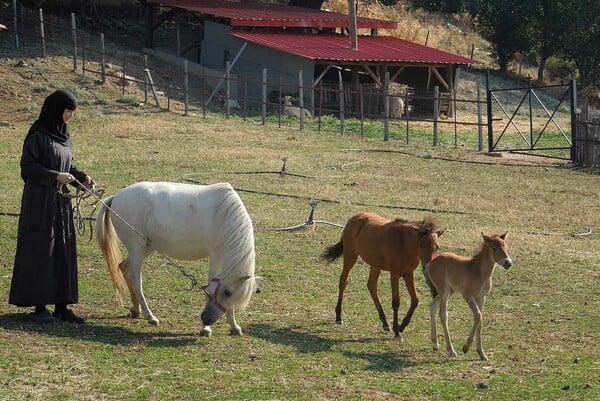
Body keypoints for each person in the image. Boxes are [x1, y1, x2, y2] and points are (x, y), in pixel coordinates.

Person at [9, 89, 95, 324]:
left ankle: (61, 305)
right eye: (68, 111)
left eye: (72, 112)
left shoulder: (63, 136)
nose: (71, 116)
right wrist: (56, 176)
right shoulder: (37, 135)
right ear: (57, 110)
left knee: (62, 251)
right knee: (41, 250)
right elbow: (28, 168)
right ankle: (39, 307)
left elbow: (68, 165)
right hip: (39, 202)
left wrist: (81, 178)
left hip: (60, 203)